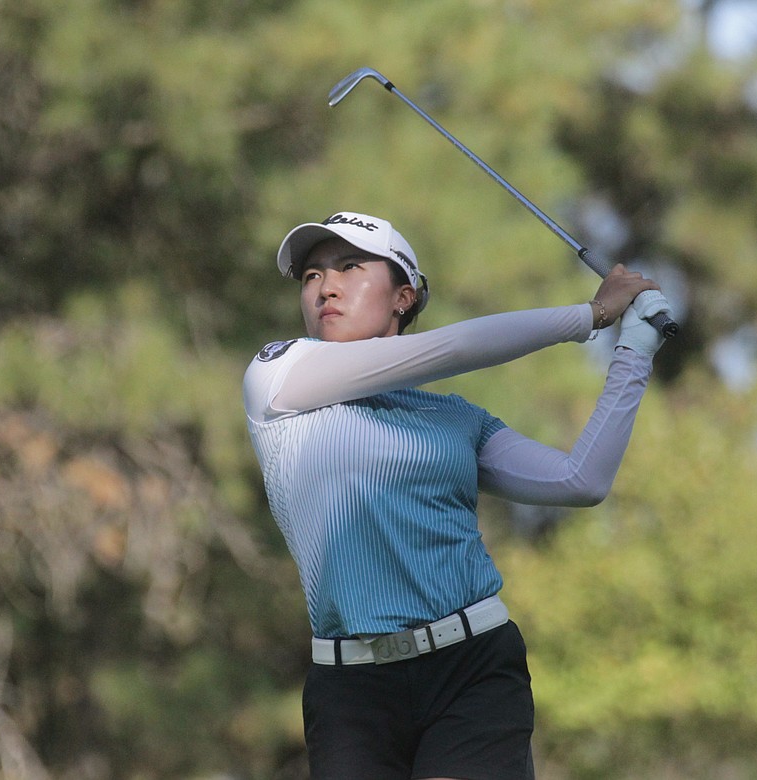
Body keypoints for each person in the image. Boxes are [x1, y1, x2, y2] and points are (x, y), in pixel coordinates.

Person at [242, 211, 670, 780]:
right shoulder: (277, 377)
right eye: (312, 276)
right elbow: (453, 348)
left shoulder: (456, 420)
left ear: (404, 296)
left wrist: (634, 349)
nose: (327, 286)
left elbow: (579, 480)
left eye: (349, 267)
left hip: (471, 668)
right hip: (349, 689)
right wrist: (590, 315)